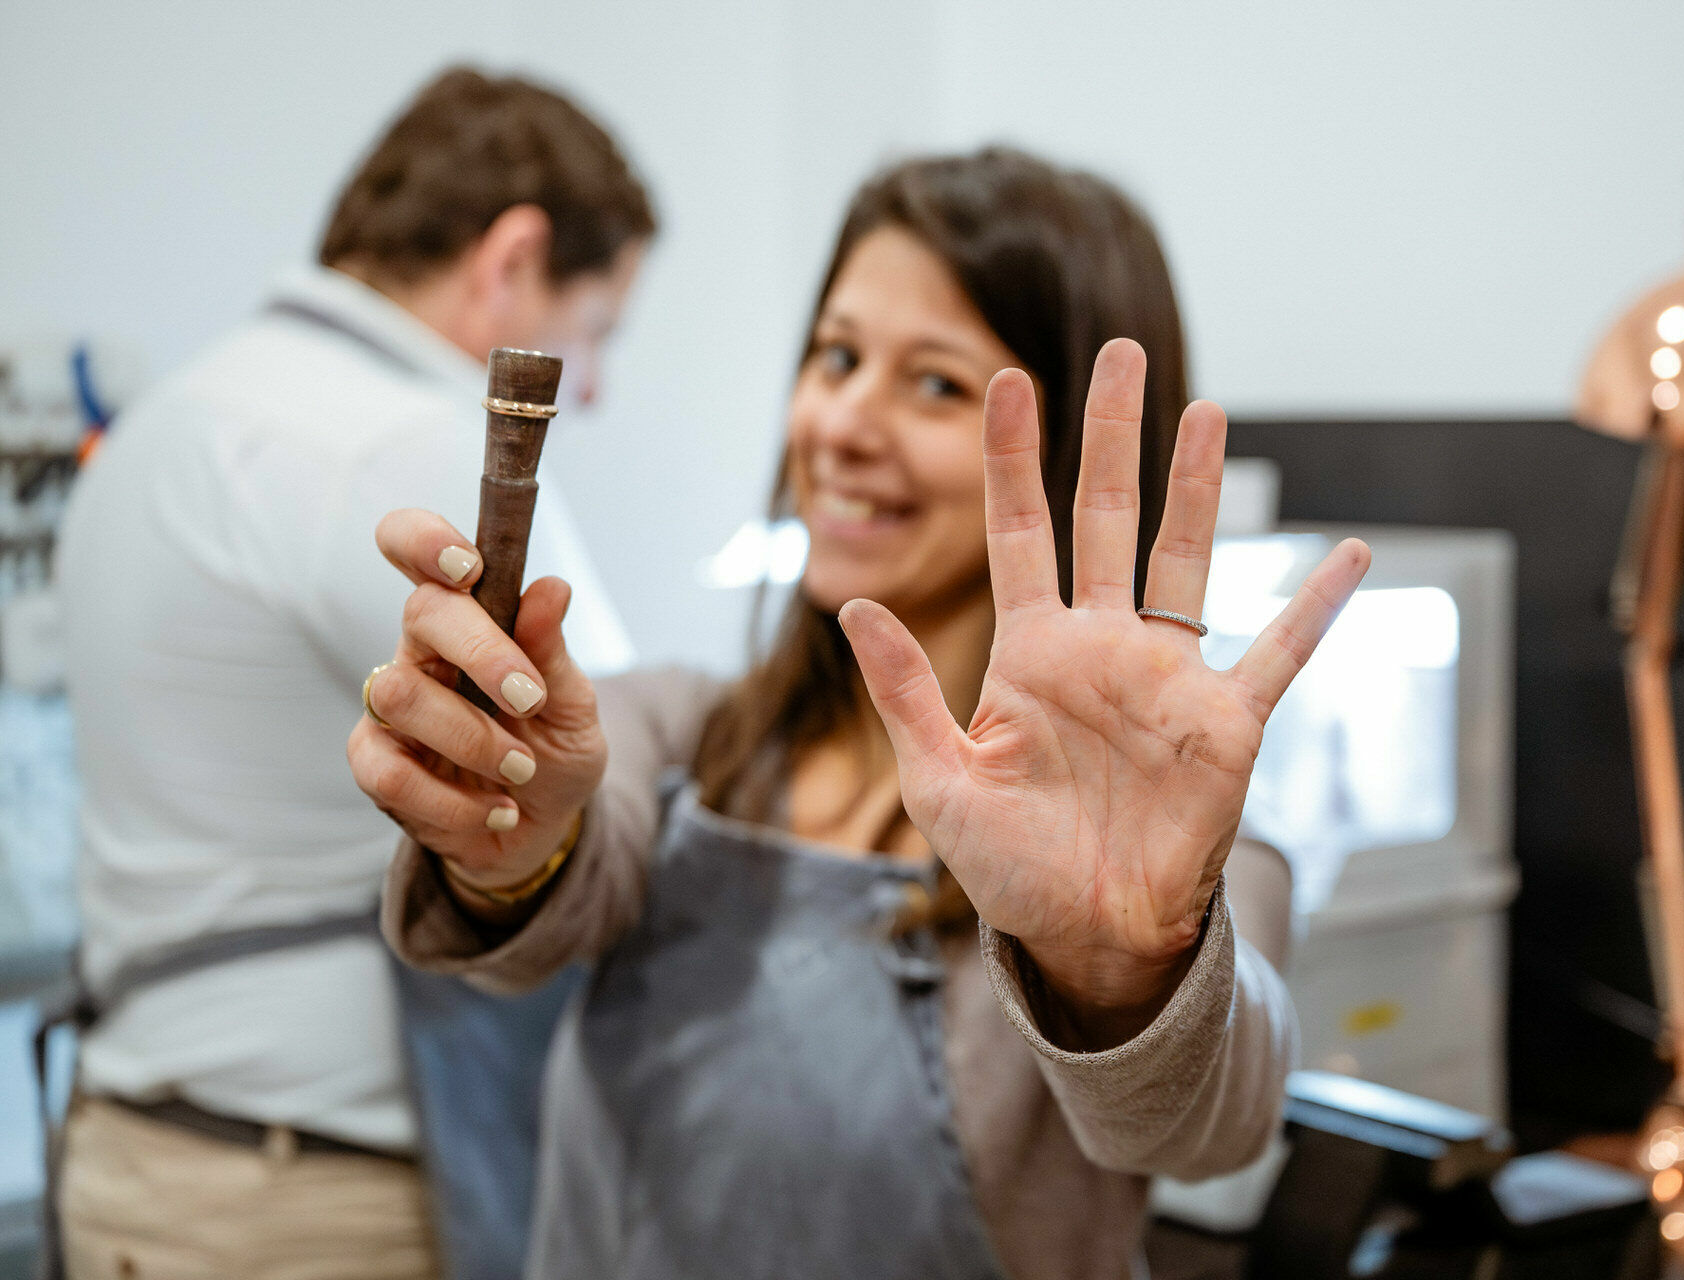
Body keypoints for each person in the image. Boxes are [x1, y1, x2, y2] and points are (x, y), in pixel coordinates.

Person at [355, 148, 1370, 1279]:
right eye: (836, 356)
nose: (841, 421)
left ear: (1073, 449)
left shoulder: (1188, 860)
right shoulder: (685, 734)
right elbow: (547, 885)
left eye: (936, 383)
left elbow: (1206, 1122)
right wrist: (507, 833)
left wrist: (1121, 963)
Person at [55, 67, 653, 1280]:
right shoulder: (404, 440)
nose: (592, 386)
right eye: (598, 329)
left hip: (130, 1147)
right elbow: (618, 773)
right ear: (512, 259)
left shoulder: (164, 425)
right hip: (320, 1195)